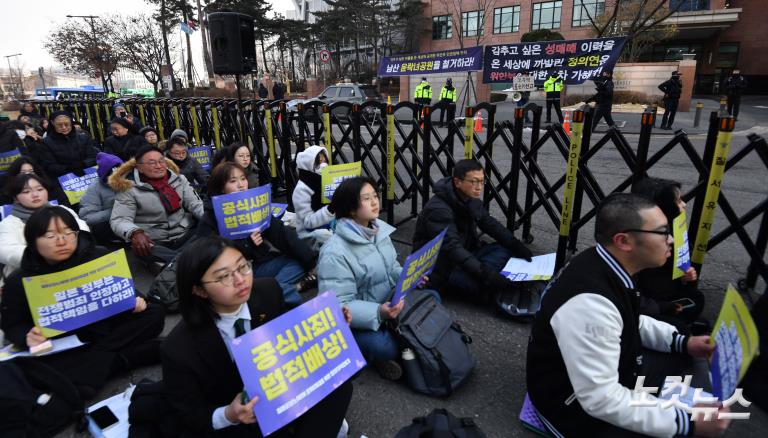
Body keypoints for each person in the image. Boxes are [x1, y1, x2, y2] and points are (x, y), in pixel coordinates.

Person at [526, 193, 730, 438]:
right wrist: (687, 423)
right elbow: (601, 399)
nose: (672, 240)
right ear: (624, 241)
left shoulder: (604, 262)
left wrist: (683, 342)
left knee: (682, 358)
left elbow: (628, 319)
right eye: (663, 232)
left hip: (604, 381)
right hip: (572, 410)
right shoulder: (590, 302)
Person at [162, 235, 353, 437]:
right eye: (224, 276)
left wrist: (332, 327)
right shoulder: (178, 348)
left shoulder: (268, 291)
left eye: (242, 266)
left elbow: (290, 340)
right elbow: (189, 414)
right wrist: (228, 415)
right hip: (238, 417)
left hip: (279, 391)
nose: (240, 280)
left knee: (340, 388)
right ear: (200, 290)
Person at [1, 206, 164, 398]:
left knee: (155, 314)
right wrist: (27, 336)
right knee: (37, 361)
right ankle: (125, 358)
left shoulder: (99, 256)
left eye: (69, 233)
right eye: (50, 236)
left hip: (108, 327)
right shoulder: (19, 280)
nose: (62, 241)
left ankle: (96, 365)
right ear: (33, 241)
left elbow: (124, 290)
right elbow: (13, 325)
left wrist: (137, 300)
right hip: (69, 340)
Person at [318, 177, 436, 379]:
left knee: (432, 296)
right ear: (351, 209)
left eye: (375, 195)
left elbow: (392, 268)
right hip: (363, 316)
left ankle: (406, 344)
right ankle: (375, 351)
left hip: (388, 301)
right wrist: (378, 312)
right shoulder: (335, 253)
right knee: (385, 347)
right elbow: (337, 307)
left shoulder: (377, 229)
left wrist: (410, 277)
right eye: (366, 198)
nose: (374, 201)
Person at [196, 162, 317, 307]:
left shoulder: (253, 205)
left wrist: (311, 262)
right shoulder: (210, 217)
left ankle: (268, 292)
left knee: (298, 262)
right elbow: (211, 259)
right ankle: (280, 292)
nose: (241, 185)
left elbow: (281, 234)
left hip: (259, 265)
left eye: (243, 178)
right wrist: (247, 244)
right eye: (233, 181)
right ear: (222, 188)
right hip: (234, 275)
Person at [412, 160, 532, 303]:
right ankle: (480, 278)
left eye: (482, 182)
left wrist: (516, 245)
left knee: (506, 250)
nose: (479, 187)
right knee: (487, 288)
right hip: (442, 267)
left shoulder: (470, 197)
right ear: (457, 182)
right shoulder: (439, 210)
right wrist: (487, 275)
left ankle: (485, 272)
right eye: (474, 182)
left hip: (467, 251)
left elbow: (489, 224)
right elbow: (452, 249)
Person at [109, 145, 204, 264]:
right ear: (140, 168)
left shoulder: (179, 179)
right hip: (155, 241)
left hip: (184, 233)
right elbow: (119, 219)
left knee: (209, 230)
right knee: (143, 250)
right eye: (152, 163)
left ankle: (177, 262)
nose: (159, 166)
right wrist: (135, 233)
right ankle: (188, 259)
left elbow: (195, 204)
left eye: (161, 161)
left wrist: (211, 217)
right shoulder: (128, 188)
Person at [631, 177, 705, 329]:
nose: (683, 204)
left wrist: (685, 275)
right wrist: (664, 307)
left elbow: (677, 268)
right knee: (679, 326)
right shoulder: (640, 243)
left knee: (696, 299)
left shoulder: (675, 229)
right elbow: (633, 295)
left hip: (664, 294)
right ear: (661, 208)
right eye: (677, 201)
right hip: (648, 302)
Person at [0, 174, 88, 286]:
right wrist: (47, 255)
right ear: (16, 198)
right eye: (26, 192)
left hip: (73, 268)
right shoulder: (8, 223)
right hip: (32, 279)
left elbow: (84, 233)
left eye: (40, 189)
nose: (35, 194)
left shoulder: (63, 210)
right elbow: (5, 250)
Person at [292, 146, 334, 249]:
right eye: (318, 162)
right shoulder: (301, 189)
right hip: (310, 233)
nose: (323, 165)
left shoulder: (325, 180)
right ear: (309, 164)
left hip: (329, 224)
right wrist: (330, 210)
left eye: (325, 161)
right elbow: (308, 223)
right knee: (330, 238)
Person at [79, 152, 124, 245]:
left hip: (135, 221)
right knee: (99, 228)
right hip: (111, 224)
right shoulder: (94, 187)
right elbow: (87, 217)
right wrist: (115, 210)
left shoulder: (132, 179)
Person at [37, 110, 98, 179]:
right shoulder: (46, 142)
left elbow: (93, 156)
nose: (64, 127)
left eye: (67, 124)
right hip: (63, 178)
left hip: (86, 174)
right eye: (59, 125)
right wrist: (68, 168)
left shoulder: (83, 137)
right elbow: (48, 164)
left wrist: (83, 164)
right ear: (52, 123)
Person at [1, 156, 70, 206]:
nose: (28, 175)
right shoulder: (6, 195)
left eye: (31, 172)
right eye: (23, 173)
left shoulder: (52, 189)